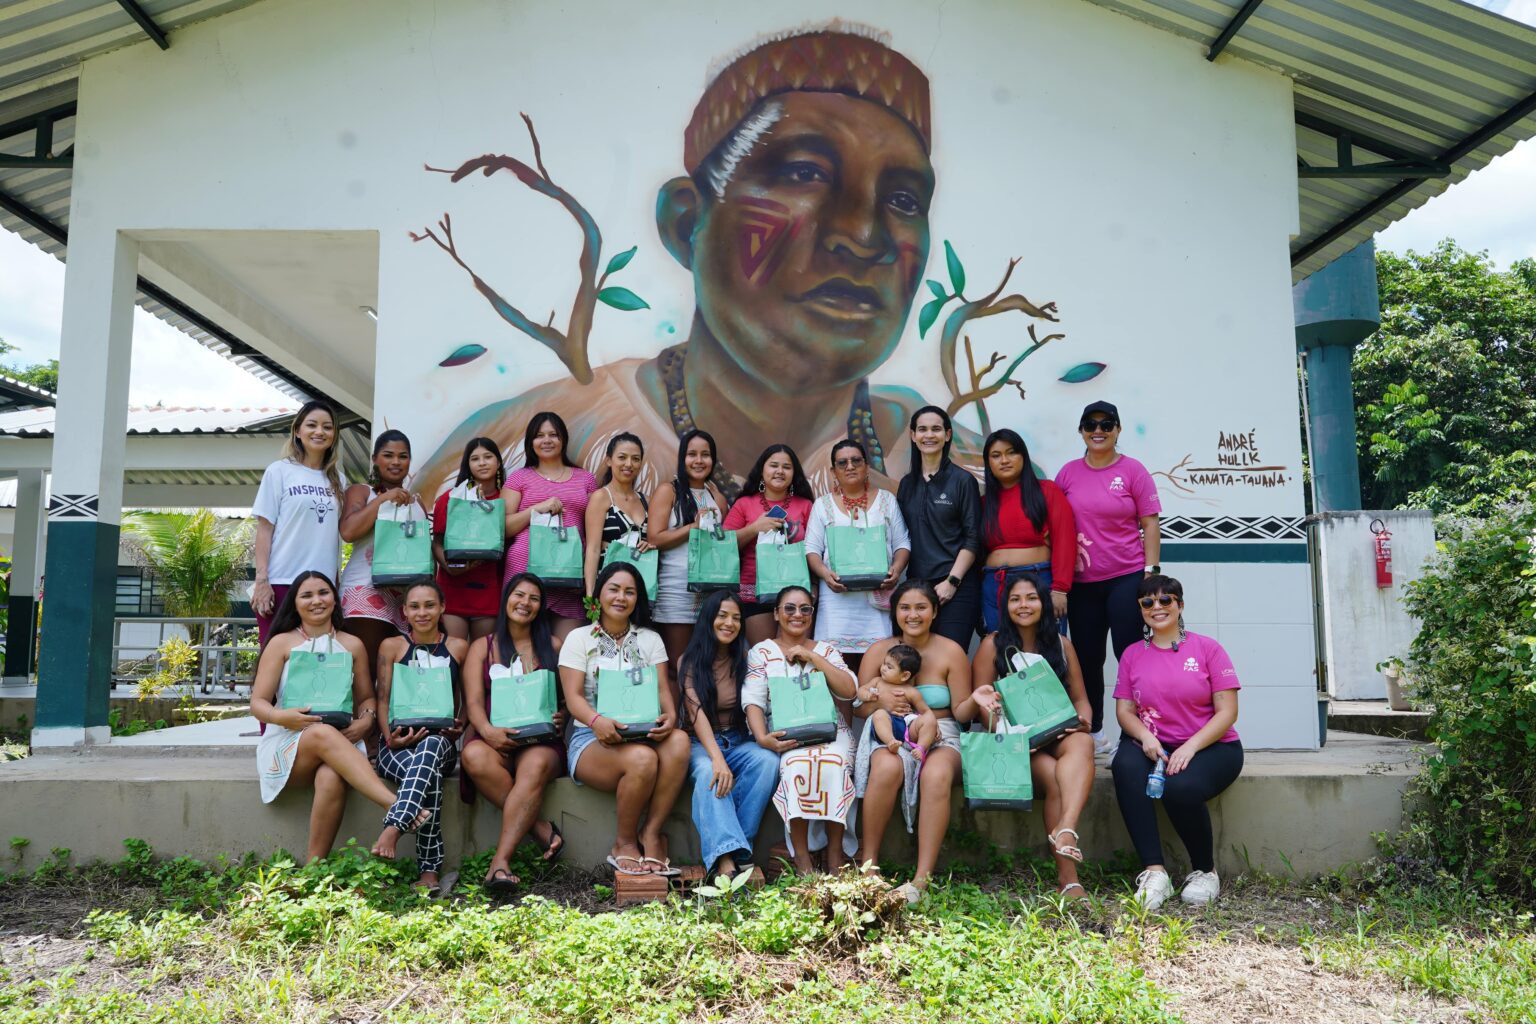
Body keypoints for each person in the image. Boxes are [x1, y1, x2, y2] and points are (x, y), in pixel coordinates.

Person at [417, 25, 986, 501]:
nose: (862, 236)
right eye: (804, 174)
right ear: (687, 222)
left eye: (904, 200)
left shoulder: (965, 467)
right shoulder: (530, 441)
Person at [249, 571, 427, 863]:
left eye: (323, 593)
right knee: (320, 732)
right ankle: (396, 805)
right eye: (307, 595)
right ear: (295, 603)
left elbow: (366, 698)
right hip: (287, 741)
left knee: (331, 775)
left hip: (342, 740)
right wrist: (282, 717)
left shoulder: (352, 644)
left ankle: (314, 867)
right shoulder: (281, 643)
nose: (316, 601)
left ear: (335, 598)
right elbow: (258, 703)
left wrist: (366, 721)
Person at [1113, 575, 1242, 911]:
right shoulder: (1132, 654)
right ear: (1141, 609)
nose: (1157, 607)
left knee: (1179, 786)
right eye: (1148, 602)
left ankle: (1205, 871)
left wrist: (1190, 747)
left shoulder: (1208, 649)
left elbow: (1228, 712)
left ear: (1180, 605)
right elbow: (1125, 711)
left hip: (1211, 746)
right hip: (1153, 743)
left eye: (1165, 600)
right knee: (1124, 765)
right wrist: (1145, 736)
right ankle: (1155, 873)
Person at [966, 572, 1095, 899]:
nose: (1024, 605)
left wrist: (1083, 721)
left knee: (1083, 741)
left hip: (1059, 732)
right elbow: (982, 707)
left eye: (1031, 598)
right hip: (1018, 742)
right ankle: (1069, 879)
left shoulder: (1062, 645)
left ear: (1044, 603)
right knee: (1054, 779)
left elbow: (1080, 699)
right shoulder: (992, 645)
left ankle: (1066, 828)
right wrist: (1009, 733)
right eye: (1015, 599)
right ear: (1005, 606)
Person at [558, 561, 691, 875]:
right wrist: (596, 721)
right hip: (591, 738)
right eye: (614, 589)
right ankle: (624, 842)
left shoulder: (649, 639)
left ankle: (651, 832)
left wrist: (670, 717)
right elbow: (573, 698)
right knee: (643, 759)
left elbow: (663, 690)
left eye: (630, 592)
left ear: (638, 599)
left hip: (643, 732)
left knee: (680, 741)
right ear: (599, 594)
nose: (621, 597)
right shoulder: (579, 638)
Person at [856, 580, 973, 902]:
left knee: (936, 774)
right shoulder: (879, 651)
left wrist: (980, 699)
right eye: (904, 607)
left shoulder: (951, 651)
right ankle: (869, 866)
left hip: (941, 730)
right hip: (889, 730)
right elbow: (859, 707)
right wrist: (881, 703)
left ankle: (921, 879)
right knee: (886, 766)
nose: (913, 615)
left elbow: (962, 711)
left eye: (921, 607)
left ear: (934, 611)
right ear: (894, 612)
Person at [1055, 401, 1162, 745]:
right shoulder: (1068, 473)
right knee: (1087, 659)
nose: (1098, 431)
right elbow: (1056, 525)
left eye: (1106, 424)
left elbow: (1150, 524)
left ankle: (1137, 735)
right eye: (1090, 425)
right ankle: (1095, 731)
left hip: (1126, 577)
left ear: (1118, 429)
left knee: (1130, 655)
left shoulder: (1133, 471)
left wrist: (1151, 573)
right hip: (1081, 584)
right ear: (1081, 431)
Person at [460, 574, 568, 893]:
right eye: (519, 595)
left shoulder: (554, 646)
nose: (525, 603)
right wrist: (487, 732)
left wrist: (562, 716)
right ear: (506, 599)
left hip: (541, 742)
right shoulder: (483, 646)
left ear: (541, 606)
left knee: (534, 765)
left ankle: (500, 862)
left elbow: (567, 699)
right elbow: (473, 701)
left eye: (534, 598)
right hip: (495, 736)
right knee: (472, 755)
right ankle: (539, 827)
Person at [743, 585, 860, 874]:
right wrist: (763, 738)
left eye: (805, 609)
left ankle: (835, 854)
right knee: (797, 766)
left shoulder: (826, 650)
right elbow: (753, 700)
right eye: (790, 608)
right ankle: (802, 857)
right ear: (776, 614)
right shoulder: (762, 652)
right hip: (786, 731)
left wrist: (814, 659)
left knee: (833, 764)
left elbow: (849, 691)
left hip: (831, 730)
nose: (798, 614)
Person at [678, 589, 783, 878]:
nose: (729, 623)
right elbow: (696, 713)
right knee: (708, 772)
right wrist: (717, 759)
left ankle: (738, 848)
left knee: (767, 761)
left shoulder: (746, 659)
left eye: (736, 618)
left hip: (738, 739)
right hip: (700, 742)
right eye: (722, 616)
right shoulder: (689, 661)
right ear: (708, 619)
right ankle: (725, 859)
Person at [373, 580, 468, 893]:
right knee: (430, 777)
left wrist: (461, 725)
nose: (422, 612)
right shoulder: (391, 646)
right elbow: (382, 700)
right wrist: (389, 738)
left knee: (431, 745)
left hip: (442, 744)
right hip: (396, 747)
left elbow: (469, 698)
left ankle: (394, 825)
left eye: (429, 605)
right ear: (404, 611)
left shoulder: (458, 647)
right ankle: (429, 871)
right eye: (414, 606)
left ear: (442, 608)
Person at [805, 439, 911, 673]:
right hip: (836, 602)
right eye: (842, 463)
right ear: (833, 471)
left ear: (866, 466)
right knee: (835, 668)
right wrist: (825, 574)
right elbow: (811, 549)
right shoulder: (822, 505)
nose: (850, 466)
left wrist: (896, 570)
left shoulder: (886, 500)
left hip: (877, 600)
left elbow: (902, 543)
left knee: (879, 667)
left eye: (856, 461)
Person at [251, 401, 343, 645]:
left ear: (334, 435)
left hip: (321, 588)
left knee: (316, 657)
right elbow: (265, 529)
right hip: (281, 581)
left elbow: (335, 536)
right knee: (273, 654)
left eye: (327, 427)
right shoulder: (279, 471)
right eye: (312, 425)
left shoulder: (339, 480)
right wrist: (262, 580)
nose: (319, 431)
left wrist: (336, 585)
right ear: (297, 431)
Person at [503, 412, 599, 639]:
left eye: (553, 435)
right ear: (531, 441)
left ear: (563, 439)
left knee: (570, 649)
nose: (546, 440)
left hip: (570, 573)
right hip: (524, 573)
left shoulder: (586, 479)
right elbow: (503, 528)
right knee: (523, 648)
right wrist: (537, 509)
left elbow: (595, 530)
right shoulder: (519, 478)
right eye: (539, 435)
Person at [338, 430, 429, 669]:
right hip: (365, 590)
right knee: (365, 670)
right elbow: (348, 531)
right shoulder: (361, 492)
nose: (396, 462)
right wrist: (383, 499)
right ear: (375, 459)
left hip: (405, 598)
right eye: (388, 455)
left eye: (403, 456)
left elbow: (424, 552)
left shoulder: (417, 503)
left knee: (397, 674)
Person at [896, 406, 983, 649]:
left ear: (947, 435)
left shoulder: (963, 481)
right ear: (913, 435)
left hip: (957, 585)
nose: (929, 435)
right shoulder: (907, 484)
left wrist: (952, 581)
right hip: (917, 587)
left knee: (950, 654)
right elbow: (900, 537)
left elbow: (973, 537)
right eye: (922, 429)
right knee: (917, 658)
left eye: (936, 429)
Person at [979, 428, 1076, 635]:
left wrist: (1060, 588)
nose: (1004, 460)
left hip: (1039, 582)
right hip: (994, 585)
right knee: (1001, 649)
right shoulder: (983, 502)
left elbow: (1064, 540)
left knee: (1046, 648)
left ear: (1023, 456)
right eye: (996, 455)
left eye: (1011, 452)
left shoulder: (1047, 491)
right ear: (988, 463)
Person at [647, 429, 730, 667]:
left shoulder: (718, 498)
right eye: (692, 454)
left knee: (706, 663)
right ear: (682, 458)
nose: (699, 460)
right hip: (676, 589)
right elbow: (654, 538)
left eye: (705, 455)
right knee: (677, 665)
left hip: (710, 590)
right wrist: (693, 527)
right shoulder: (668, 491)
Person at [721, 444, 815, 644]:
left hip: (797, 594)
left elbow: (815, 550)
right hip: (755, 593)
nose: (780, 471)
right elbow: (724, 547)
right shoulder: (744, 503)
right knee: (765, 655)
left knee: (796, 655)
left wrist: (814, 587)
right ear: (762, 470)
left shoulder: (806, 505)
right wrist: (754, 528)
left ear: (794, 473)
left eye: (786, 467)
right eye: (774, 465)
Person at [432, 437, 506, 641]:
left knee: (482, 655)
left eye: (488, 457)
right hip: (453, 590)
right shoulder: (450, 499)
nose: (482, 463)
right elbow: (437, 542)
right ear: (467, 464)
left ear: (498, 462)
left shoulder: (506, 499)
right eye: (475, 459)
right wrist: (450, 567)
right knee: (453, 653)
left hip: (489, 591)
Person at [583, 432, 651, 597]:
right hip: (609, 590)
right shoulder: (601, 497)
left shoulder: (647, 501)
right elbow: (592, 550)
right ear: (609, 460)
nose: (629, 464)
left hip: (641, 590)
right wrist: (590, 596)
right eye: (622, 457)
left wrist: (650, 545)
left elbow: (656, 541)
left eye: (635, 459)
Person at [858, 644, 938, 760]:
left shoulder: (911, 691)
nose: (883, 668)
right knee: (879, 714)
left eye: (889, 667)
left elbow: (926, 711)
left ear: (905, 676)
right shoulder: (877, 681)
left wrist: (933, 725)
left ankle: (921, 748)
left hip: (906, 727)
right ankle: (891, 742)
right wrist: (867, 695)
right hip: (885, 726)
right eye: (884, 663)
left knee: (929, 719)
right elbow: (861, 691)